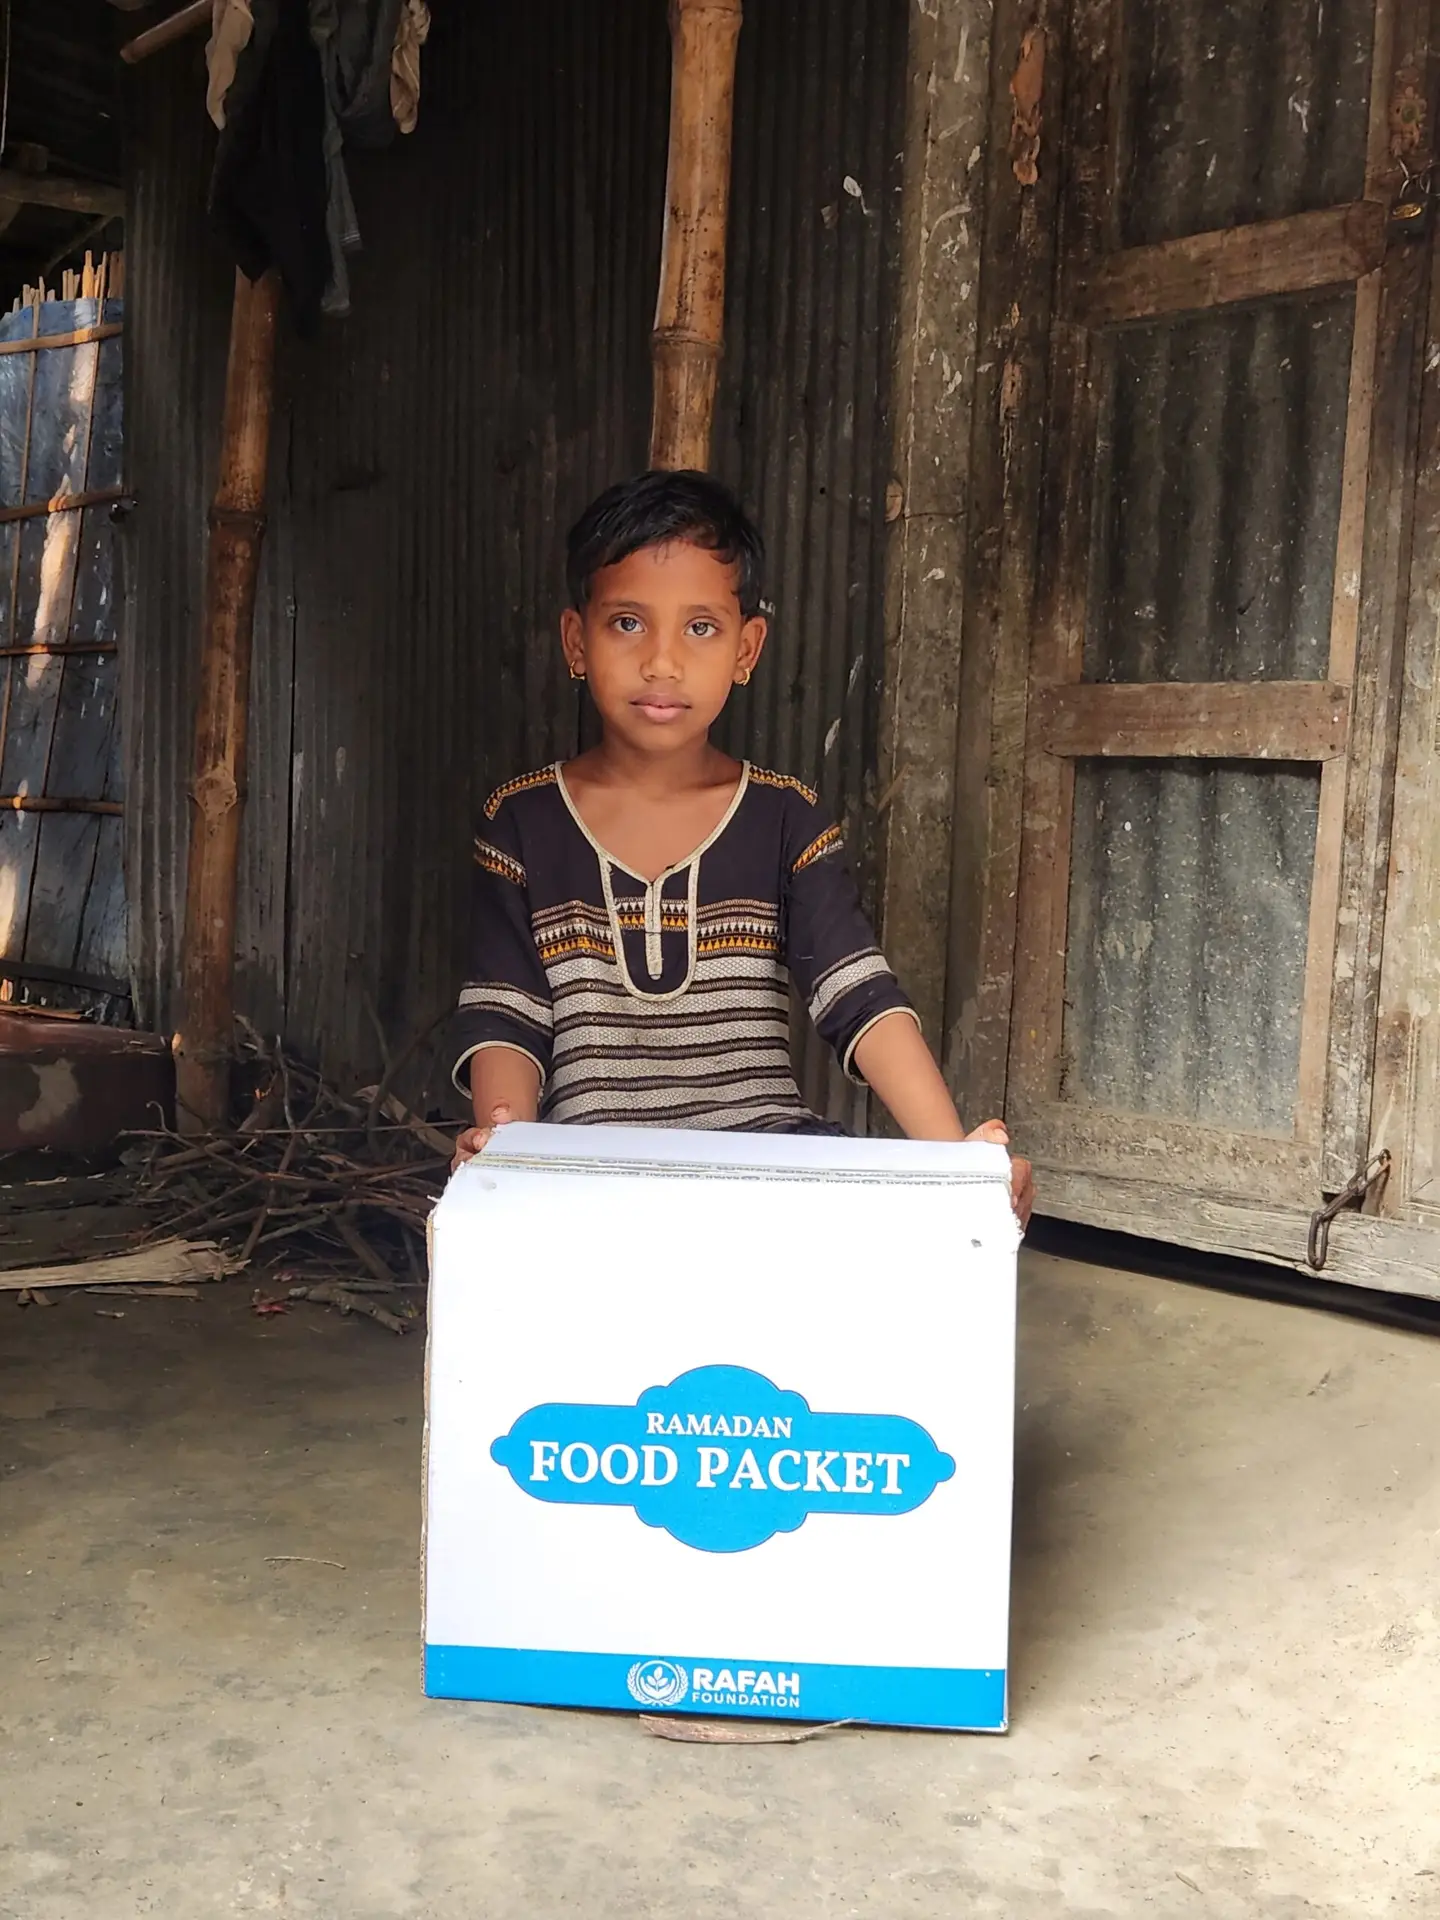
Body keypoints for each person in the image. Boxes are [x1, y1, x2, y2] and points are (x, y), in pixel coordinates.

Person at [449, 470, 1033, 1226]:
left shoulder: (784, 818)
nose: (662, 662)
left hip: (768, 1167)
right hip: (593, 1176)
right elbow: (506, 1016)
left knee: (889, 1219)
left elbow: (859, 998)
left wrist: (955, 1162)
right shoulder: (522, 822)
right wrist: (506, 1151)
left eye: (700, 628)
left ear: (746, 649)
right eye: (627, 623)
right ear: (577, 640)